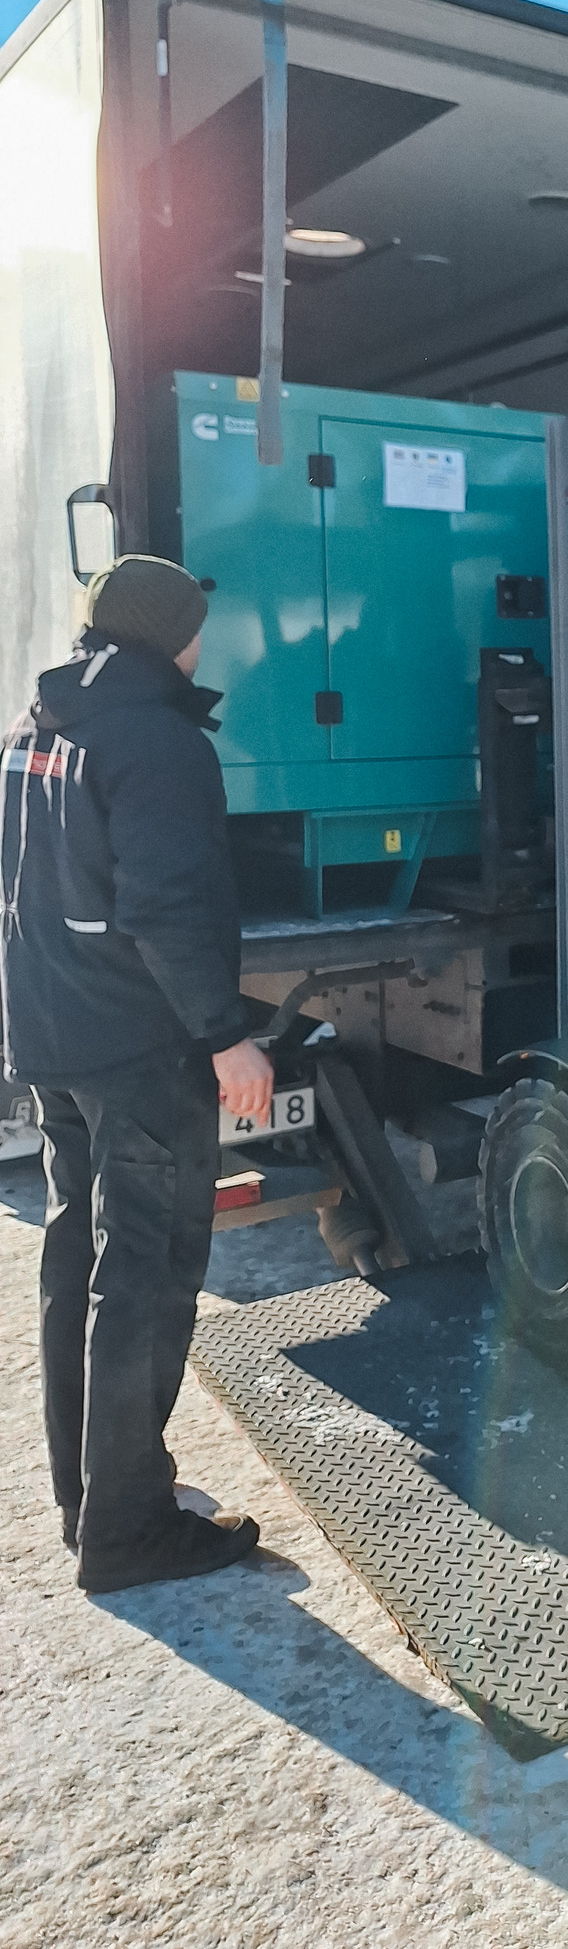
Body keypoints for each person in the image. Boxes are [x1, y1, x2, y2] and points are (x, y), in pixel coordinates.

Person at [1, 555, 271, 1592]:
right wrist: (226, 1035)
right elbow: (164, 906)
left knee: (77, 1260)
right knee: (145, 1278)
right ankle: (129, 1532)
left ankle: (92, 1497)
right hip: (138, 1050)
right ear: (170, 634)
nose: (203, 641)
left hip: (55, 1040)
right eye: (195, 624)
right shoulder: (156, 741)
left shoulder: (35, 728)